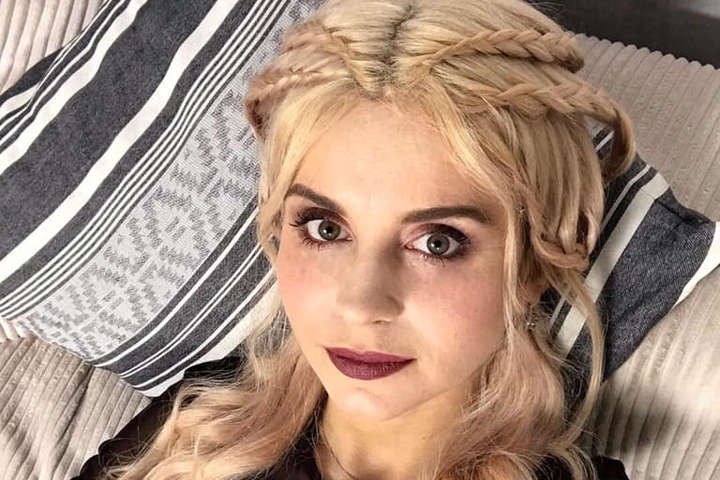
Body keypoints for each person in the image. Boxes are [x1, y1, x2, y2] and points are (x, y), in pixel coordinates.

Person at [79, 0, 637, 478]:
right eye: (325, 228)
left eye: (438, 243)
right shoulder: (199, 428)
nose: (361, 303)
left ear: (533, 265)